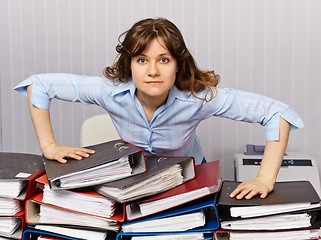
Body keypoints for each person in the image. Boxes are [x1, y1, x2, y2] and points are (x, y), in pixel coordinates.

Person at [14, 18, 304, 200]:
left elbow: (276, 112)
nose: (152, 70)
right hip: (131, 180)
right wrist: (48, 145)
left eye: (164, 60)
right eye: (142, 60)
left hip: (187, 181)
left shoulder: (198, 99)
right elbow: (39, 85)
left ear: (179, 64)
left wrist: (265, 178)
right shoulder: (108, 91)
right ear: (129, 64)